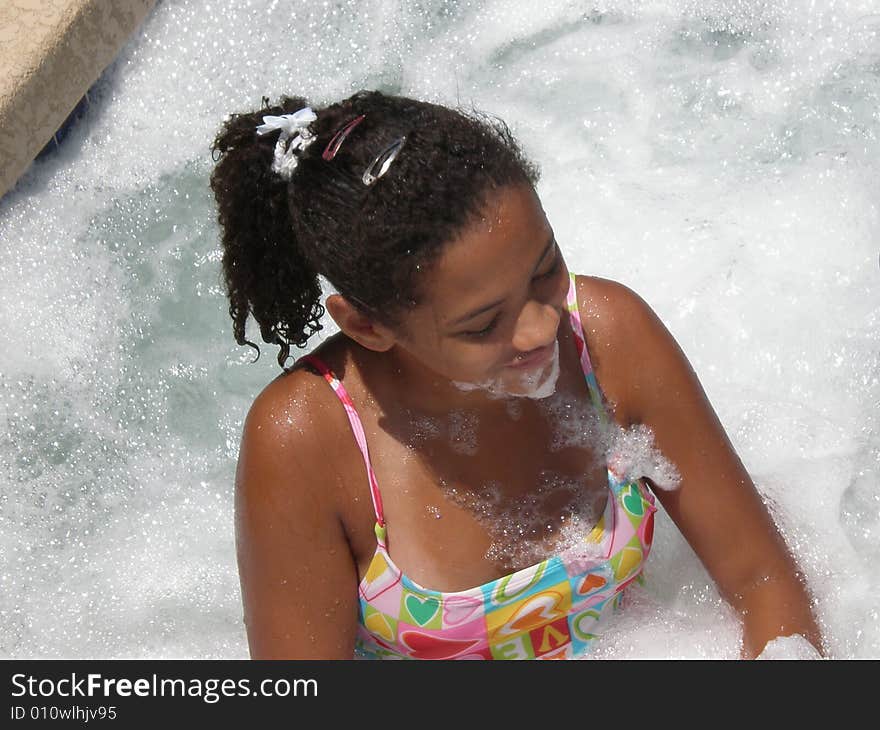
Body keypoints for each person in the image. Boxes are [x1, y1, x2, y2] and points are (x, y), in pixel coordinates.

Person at [209, 90, 825, 660]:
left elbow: (762, 581)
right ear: (368, 327)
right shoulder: (306, 440)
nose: (539, 328)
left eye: (545, 269)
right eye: (482, 325)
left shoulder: (608, 338)